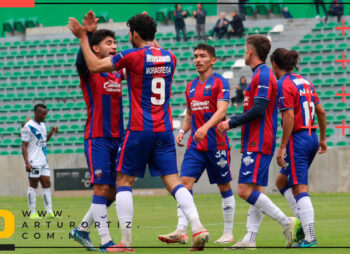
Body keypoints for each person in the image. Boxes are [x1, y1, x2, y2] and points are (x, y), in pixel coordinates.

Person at [68, 12, 209, 252]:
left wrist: (83, 36)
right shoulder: (170, 57)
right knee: (174, 183)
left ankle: (126, 243)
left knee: (123, 182)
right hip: (164, 129)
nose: (115, 45)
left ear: (133, 34)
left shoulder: (132, 57)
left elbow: (93, 65)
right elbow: (152, 50)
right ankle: (198, 227)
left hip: (138, 129)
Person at [217, 35, 299, 249]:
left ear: (251, 52)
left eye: (245, 49)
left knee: (244, 191)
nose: (244, 53)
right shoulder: (258, 75)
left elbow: (259, 109)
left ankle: (286, 221)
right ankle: (250, 239)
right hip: (256, 140)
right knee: (257, 192)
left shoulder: (263, 75)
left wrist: (231, 123)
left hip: (259, 141)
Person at [158, 44, 235, 245]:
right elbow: (190, 114)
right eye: (195, 56)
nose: (198, 60)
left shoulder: (220, 82)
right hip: (195, 145)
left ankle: (228, 232)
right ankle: (181, 230)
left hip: (216, 142)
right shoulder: (191, 85)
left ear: (213, 60)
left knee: (224, 185)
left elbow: (221, 111)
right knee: (183, 184)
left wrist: (206, 128)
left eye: (202, 56)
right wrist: (183, 131)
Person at [69, 11, 125, 252]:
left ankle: (81, 229)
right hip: (97, 137)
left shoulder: (116, 73)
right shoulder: (90, 73)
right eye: (108, 43)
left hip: (117, 137)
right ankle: (106, 243)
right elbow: (81, 62)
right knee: (102, 189)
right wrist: (88, 34)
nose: (113, 46)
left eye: (114, 43)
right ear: (96, 50)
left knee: (113, 191)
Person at [270, 48, 327, 248]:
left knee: (299, 187)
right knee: (281, 180)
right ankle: (303, 223)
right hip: (311, 136)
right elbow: (321, 112)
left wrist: (282, 147)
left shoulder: (283, 84)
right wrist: (322, 139)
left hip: (299, 140)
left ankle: (310, 237)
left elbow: (289, 116)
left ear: (274, 64)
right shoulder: (305, 82)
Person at [21, 104, 58, 220]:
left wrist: (51, 132)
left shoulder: (43, 125)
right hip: (33, 161)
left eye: (46, 113)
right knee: (33, 185)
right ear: (36, 113)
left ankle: (49, 211)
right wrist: (27, 163)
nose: (45, 116)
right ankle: (32, 212)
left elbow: (44, 140)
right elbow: (24, 146)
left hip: (43, 160)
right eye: (43, 113)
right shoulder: (28, 127)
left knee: (47, 184)